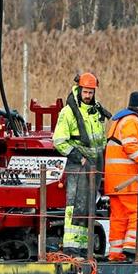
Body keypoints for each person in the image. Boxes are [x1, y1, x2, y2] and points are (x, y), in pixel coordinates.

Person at [52, 72, 109, 255]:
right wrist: (79, 157)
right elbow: (59, 141)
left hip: (95, 165)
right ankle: (72, 248)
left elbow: (100, 139)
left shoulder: (95, 112)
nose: (88, 96)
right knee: (75, 205)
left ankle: (83, 247)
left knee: (88, 205)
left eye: (91, 93)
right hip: (78, 165)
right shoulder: (68, 112)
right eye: (85, 92)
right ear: (79, 90)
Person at [104, 91, 138, 262]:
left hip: (114, 182)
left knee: (119, 217)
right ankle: (132, 247)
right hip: (129, 181)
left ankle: (115, 252)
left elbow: (122, 148)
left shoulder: (118, 121)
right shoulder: (133, 121)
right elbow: (130, 146)